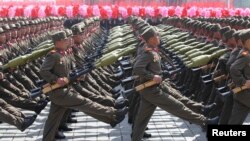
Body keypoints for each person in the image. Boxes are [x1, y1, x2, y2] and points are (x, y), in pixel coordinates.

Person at [131, 27, 219, 141]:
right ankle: (205, 122)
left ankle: (135, 138)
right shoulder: (148, 53)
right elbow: (137, 68)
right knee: (178, 107)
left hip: (151, 88)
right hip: (151, 90)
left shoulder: (151, 50)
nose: (159, 38)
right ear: (152, 39)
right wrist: (153, 76)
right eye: (157, 36)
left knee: (142, 118)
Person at [40, 31, 128, 141]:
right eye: (65, 40)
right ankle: (113, 113)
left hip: (64, 90)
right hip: (59, 92)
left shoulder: (63, 54)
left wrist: (75, 76)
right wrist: (56, 79)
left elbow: (66, 72)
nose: (67, 41)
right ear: (58, 42)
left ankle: (111, 119)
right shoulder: (53, 55)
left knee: (53, 120)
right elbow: (43, 71)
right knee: (85, 102)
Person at [229, 29, 250, 124]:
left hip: (243, 94)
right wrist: (244, 82)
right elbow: (233, 68)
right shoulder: (246, 55)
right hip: (245, 94)